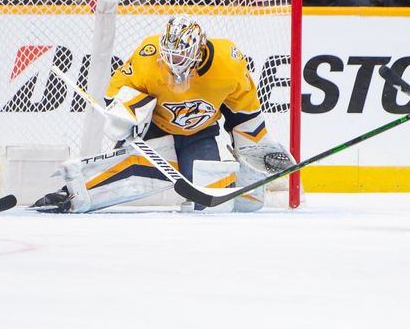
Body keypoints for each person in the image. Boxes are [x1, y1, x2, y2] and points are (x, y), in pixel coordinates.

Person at [31, 15, 296, 213]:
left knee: (216, 199)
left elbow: (244, 115)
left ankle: (242, 184)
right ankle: (71, 194)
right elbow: (114, 93)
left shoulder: (229, 63)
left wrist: (255, 152)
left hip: (198, 134)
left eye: (179, 59)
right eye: (168, 56)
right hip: (155, 131)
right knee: (134, 173)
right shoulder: (149, 56)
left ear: (197, 52)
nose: (170, 65)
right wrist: (126, 117)